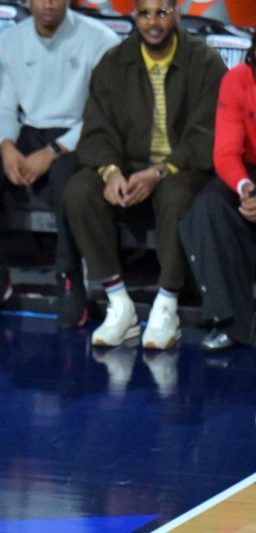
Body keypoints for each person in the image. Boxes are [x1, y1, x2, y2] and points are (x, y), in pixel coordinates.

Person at [62, 0, 227, 349]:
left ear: (177, 14)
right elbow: (97, 129)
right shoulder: (113, 62)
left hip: (183, 166)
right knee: (79, 190)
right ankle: (119, 303)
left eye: (162, 13)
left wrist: (160, 171)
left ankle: (167, 305)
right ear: (134, 16)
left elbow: (207, 132)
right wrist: (110, 172)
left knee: (176, 195)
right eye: (145, 14)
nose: (153, 22)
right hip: (128, 164)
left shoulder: (206, 62)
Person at [0, 0, 119, 328]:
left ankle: (69, 278)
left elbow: (102, 115)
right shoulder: (10, 39)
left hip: (80, 135)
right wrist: (7, 146)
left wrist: (54, 151)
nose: (48, 3)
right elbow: (4, 107)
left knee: (66, 176)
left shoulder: (100, 40)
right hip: (28, 132)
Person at [179, 34, 256, 353]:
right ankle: (229, 321)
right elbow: (225, 152)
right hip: (249, 170)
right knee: (208, 206)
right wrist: (245, 188)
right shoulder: (238, 79)